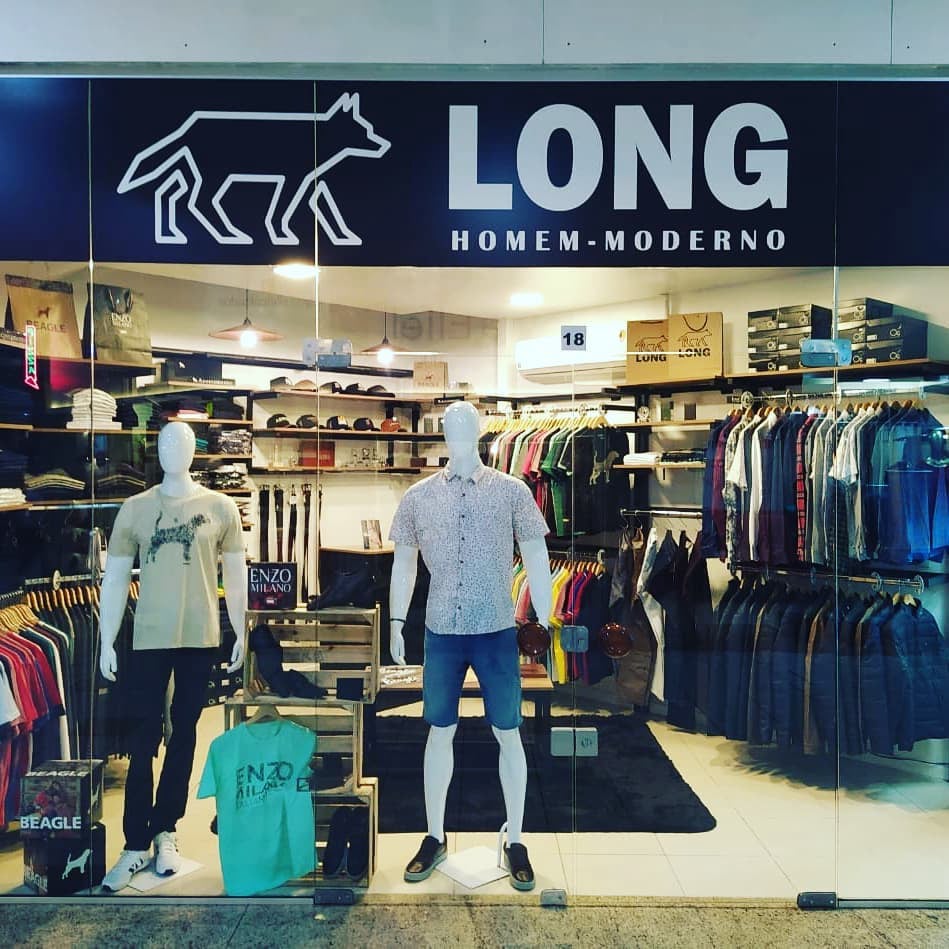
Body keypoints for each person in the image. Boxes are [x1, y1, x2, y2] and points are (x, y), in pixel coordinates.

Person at [388, 401, 552, 891]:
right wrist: (396, 622)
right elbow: (403, 565)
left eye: (466, 426)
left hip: (496, 629)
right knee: (438, 731)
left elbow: (538, 555)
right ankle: (434, 835)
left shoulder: (512, 491)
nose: (458, 433)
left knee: (509, 731)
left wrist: (544, 619)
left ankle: (516, 839)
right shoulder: (418, 497)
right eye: (450, 426)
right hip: (441, 630)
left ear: (480, 432)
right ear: (442, 433)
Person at [99, 421, 246, 892]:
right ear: (156, 450)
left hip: (199, 635)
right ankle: (134, 842)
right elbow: (114, 578)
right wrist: (105, 638)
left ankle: (166, 829)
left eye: (180, 442)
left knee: (184, 734)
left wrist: (240, 629)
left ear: (193, 451)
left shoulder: (220, 507)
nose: (172, 450)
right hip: (149, 637)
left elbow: (236, 575)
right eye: (164, 442)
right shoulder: (135, 508)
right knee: (142, 738)